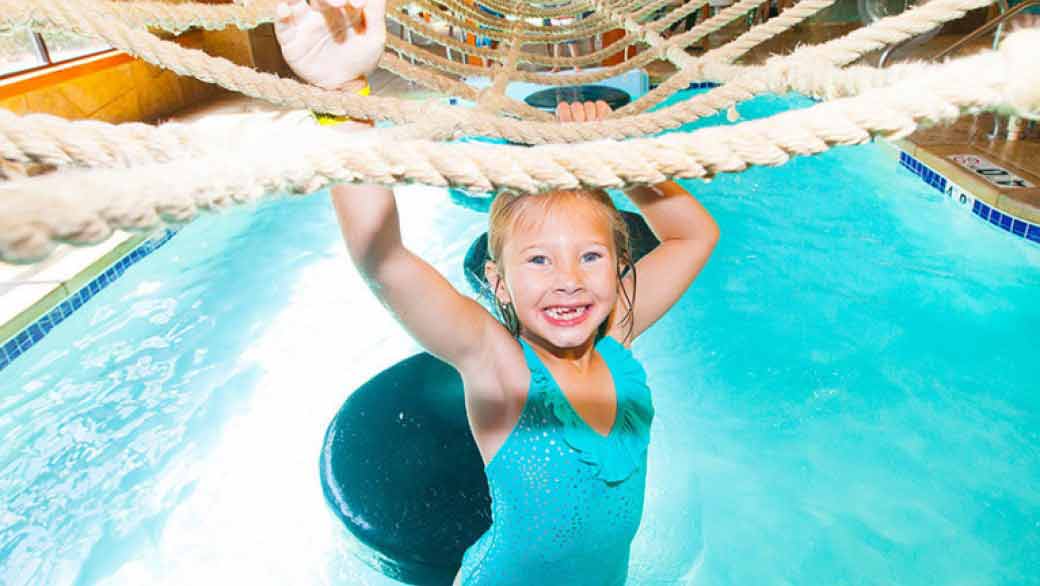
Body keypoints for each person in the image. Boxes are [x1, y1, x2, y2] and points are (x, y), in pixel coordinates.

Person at [275, 1, 720, 584]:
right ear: (498, 284)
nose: (568, 278)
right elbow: (382, 259)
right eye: (538, 260)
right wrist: (341, 99)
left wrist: (618, 158)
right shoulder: (502, 370)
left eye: (589, 257)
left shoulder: (618, 335)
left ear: (620, 268)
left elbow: (695, 235)